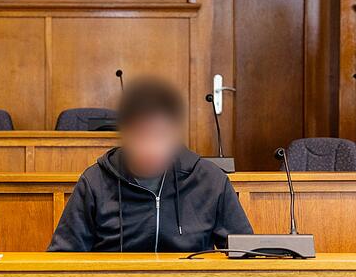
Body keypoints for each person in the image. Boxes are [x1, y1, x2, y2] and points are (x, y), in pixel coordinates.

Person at [48, 77, 253, 252]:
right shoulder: (95, 181)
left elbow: (245, 254)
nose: (150, 148)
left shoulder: (210, 180)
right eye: (140, 135)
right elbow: (63, 257)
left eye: (160, 135)